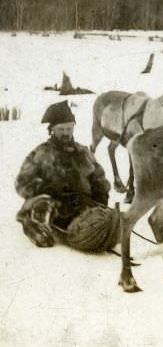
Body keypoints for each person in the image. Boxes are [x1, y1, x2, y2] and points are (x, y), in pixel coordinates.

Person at [15, 101, 111, 247]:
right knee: (43, 204)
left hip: (80, 204)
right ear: (52, 129)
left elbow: (99, 176)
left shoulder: (83, 152)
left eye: (69, 128)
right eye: (61, 129)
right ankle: (35, 226)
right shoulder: (42, 153)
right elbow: (22, 181)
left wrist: (100, 191)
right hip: (54, 204)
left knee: (103, 222)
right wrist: (44, 188)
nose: (66, 133)